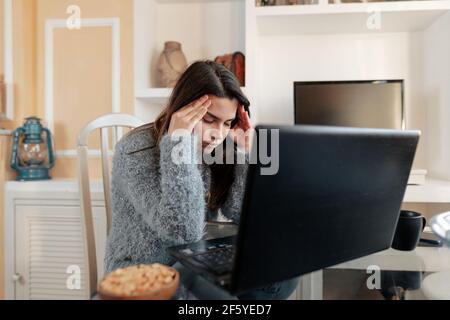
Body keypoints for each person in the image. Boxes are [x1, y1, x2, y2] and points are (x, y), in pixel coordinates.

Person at [104, 60, 299, 299]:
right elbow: (182, 230)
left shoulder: (217, 148)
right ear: (183, 109)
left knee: (282, 270)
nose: (217, 133)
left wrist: (247, 153)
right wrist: (179, 141)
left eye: (227, 123)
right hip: (144, 271)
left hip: (192, 258)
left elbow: (243, 214)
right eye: (208, 119)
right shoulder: (134, 151)